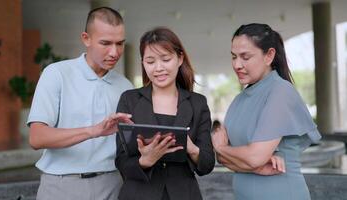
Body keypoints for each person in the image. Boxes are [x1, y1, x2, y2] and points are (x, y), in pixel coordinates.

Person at [27, 7, 133, 200]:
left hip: (113, 185)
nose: (114, 52)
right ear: (86, 39)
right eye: (105, 43)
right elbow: (37, 138)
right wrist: (94, 131)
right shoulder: (56, 74)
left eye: (120, 44)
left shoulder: (126, 86)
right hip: (61, 187)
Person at [211, 23, 321, 200]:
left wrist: (222, 147)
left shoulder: (280, 91)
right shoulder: (239, 100)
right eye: (234, 57)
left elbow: (252, 156)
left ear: (269, 55)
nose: (237, 64)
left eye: (245, 57)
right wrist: (256, 166)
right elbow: (223, 159)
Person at [115, 27, 215, 200]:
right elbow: (121, 161)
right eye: (150, 61)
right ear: (143, 63)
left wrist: (192, 149)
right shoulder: (129, 100)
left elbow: (207, 164)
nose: (158, 68)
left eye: (166, 59)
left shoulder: (198, 103)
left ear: (179, 58)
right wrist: (145, 161)